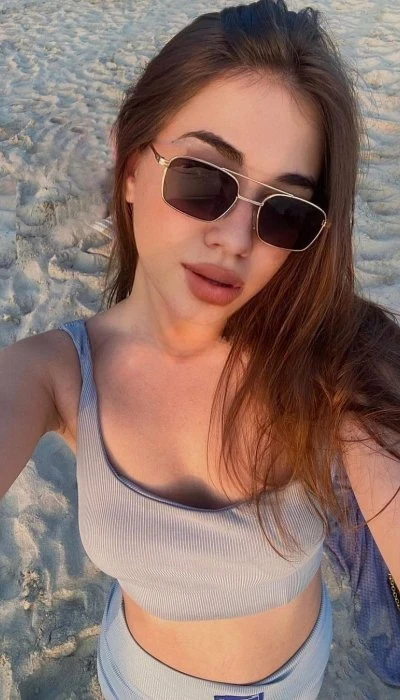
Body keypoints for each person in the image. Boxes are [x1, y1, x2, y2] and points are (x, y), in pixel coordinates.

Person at [1, 0, 399, 698]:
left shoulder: (334, 367)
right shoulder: (52, 375)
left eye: (284, 212)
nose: (237, 239)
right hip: (140, 679)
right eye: (202, 178)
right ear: (129, 166)